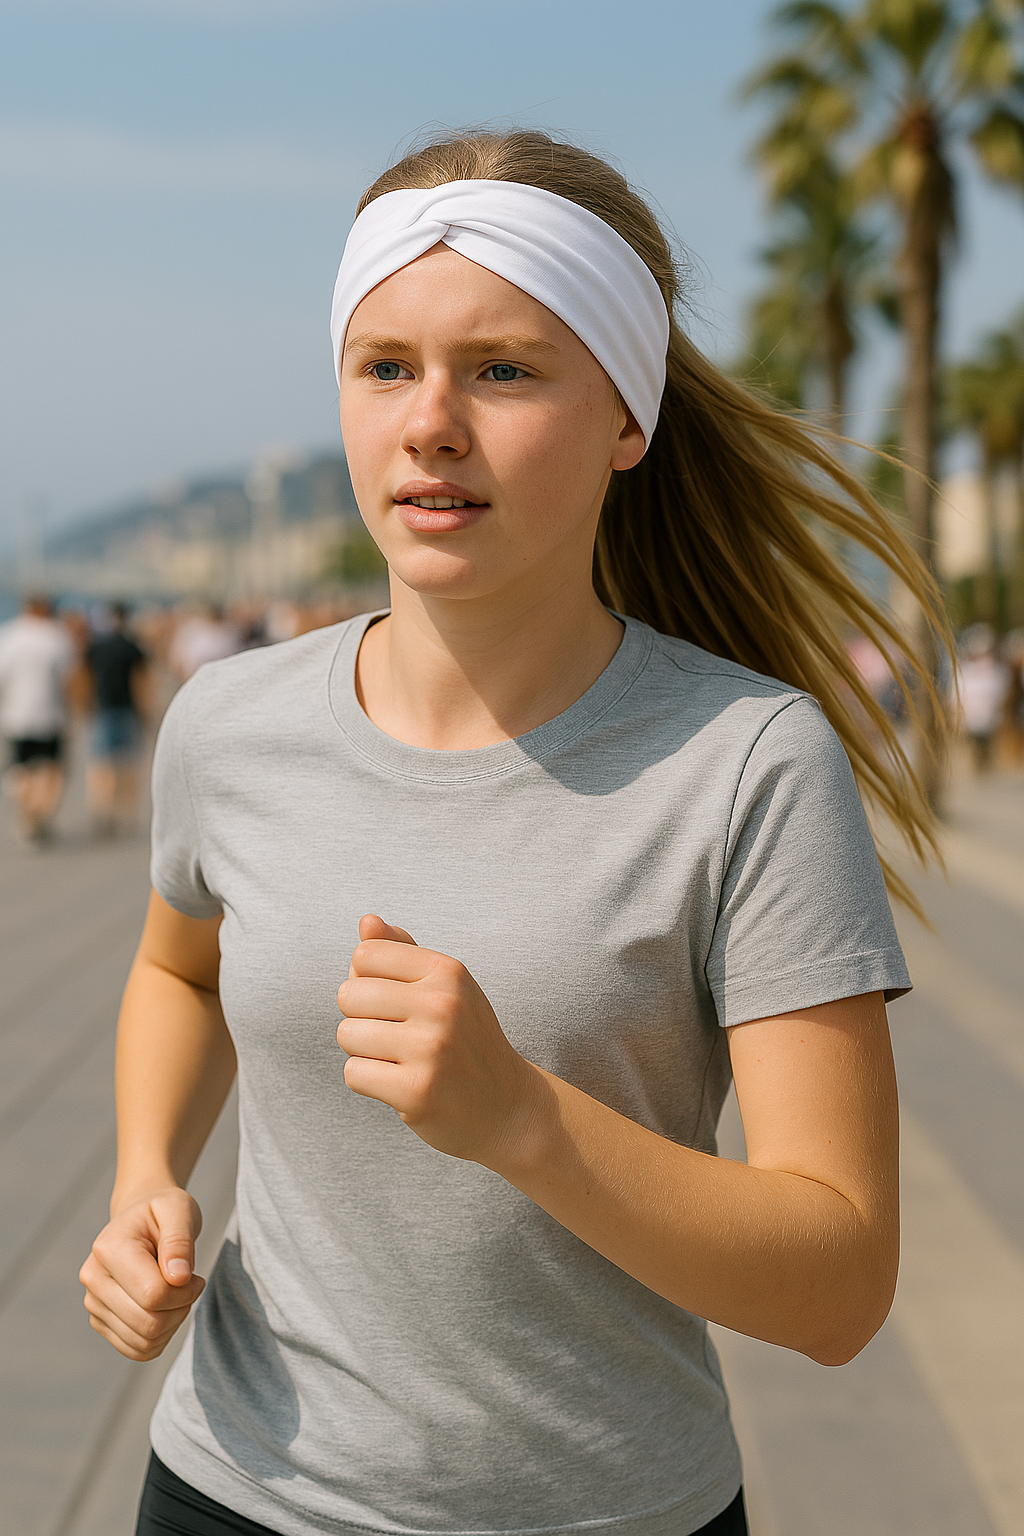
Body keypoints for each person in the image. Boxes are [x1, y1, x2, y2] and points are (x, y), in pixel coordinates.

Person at [81, 131, 948, 1536]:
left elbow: (841, 1282)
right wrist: (140, 1178)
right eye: (385, 368)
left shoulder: (746, 765)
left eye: (503, 369)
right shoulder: (227, 723)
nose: (431, 421)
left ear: (626, 416)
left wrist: (524, 1118)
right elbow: (179, 969)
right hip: (231, 1490)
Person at [0, 594, 76, 844]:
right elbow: (69, 680)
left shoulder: (9, 636)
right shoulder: (56, 636)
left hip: (16, 714)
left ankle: (27, 812)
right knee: (50, 768)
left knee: (21, 768)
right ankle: (40, 812)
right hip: (51, 713)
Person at [84, 601, 150, 836]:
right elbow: (140, 681)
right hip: (128, 710)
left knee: (102, 766)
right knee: (129, 766)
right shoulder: (133, 647)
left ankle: (103, 809)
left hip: (103, 709)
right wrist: (145, 711)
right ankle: (127, 813)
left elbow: (86, 678)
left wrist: (86, 705)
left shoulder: (96, 646)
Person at [957, 622, 1010, 772]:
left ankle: (983, 765)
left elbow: (1003, 694)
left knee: (985, 747)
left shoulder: (997, 671)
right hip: (972, 718)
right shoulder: (966, 671)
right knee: (976, 747)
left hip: (989, 719)